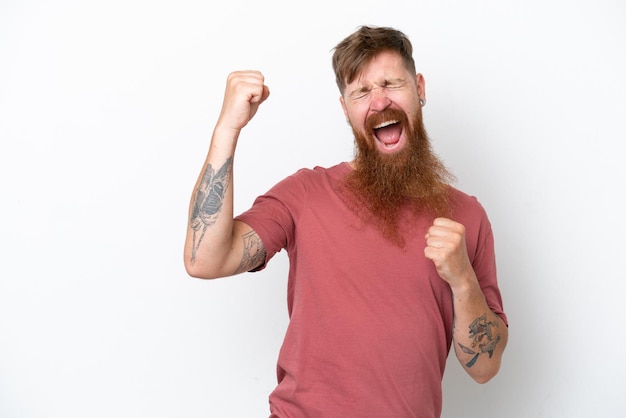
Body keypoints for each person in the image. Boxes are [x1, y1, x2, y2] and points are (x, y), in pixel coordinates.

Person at [184, 25, 508, 418]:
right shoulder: (305, 194)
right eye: (361, 92)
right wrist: (227, 128)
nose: (379, 101)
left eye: (392, 83)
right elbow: (205, 260)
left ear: (420, 88)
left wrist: (463, 279)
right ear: (345, 109)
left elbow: (485, 367)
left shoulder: (466, 216)